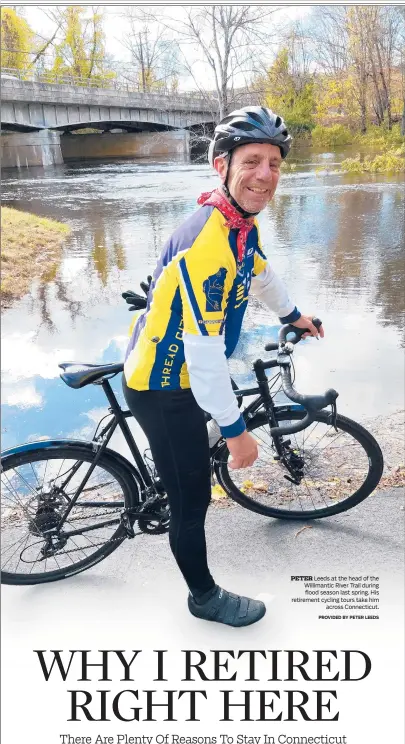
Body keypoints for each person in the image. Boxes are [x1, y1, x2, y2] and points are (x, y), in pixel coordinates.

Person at [122, 106, 324, 627]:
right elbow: (205, 360)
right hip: (167, 384)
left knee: (191, 465)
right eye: (253, 161)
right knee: (192, 501)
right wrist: (236, 432)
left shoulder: (236, 225)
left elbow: (260, 274)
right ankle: (203, 597)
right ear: (221, 166)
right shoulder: (208, 244)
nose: (265, 175)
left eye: (275, 164)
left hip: (175, 368)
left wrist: (293, 314)